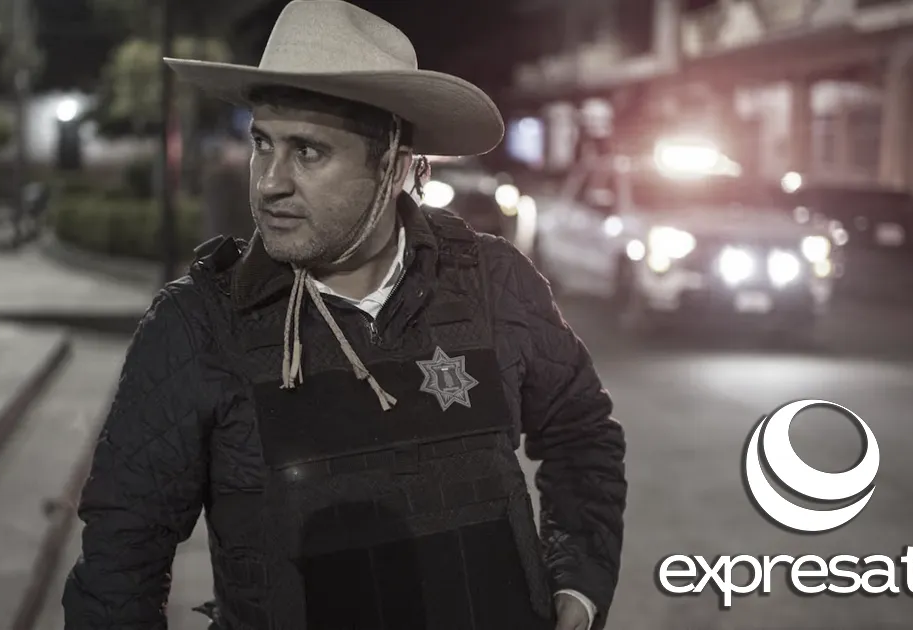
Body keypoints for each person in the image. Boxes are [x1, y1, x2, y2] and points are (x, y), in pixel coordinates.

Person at [61, 2, 627, 629]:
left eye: (307, 151)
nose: (269, 183)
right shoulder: (198, 325)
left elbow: (580, 432)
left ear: (393, 166)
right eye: (262, 143)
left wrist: (578, 582)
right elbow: (120, 564)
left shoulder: (493, 282)